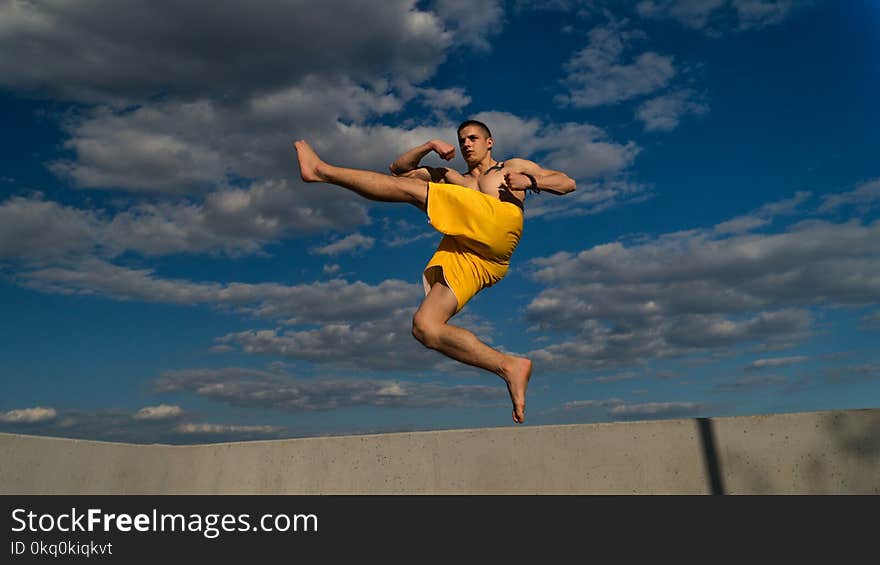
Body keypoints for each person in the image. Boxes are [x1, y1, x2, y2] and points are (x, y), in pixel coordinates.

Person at [293, 120, 575, 423]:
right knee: (425, 326)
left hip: (499, 224)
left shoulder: (510, 166)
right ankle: (509, 366)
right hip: (474, 255)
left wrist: (530, 182)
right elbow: (397, 173)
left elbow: (566, 182)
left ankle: (321, 171)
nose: (467, 144)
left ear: (489, 142)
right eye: (461, 139)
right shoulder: (452, 176)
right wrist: (428, 146)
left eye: (473, 138)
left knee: (418, 192)